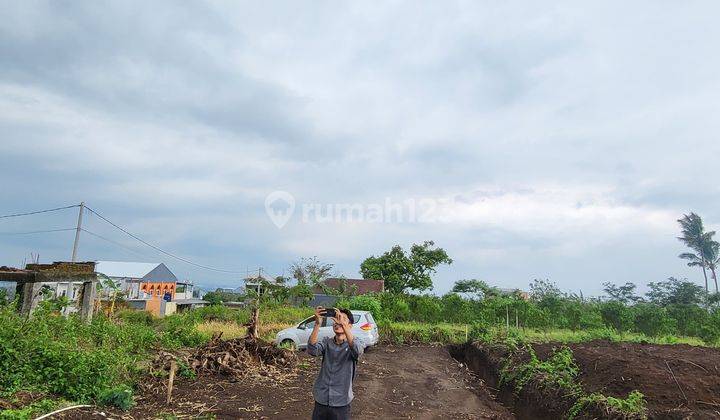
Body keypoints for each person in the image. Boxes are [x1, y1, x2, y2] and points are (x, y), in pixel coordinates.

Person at [307, 306, 364, 420]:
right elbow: (312, 350)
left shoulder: (355, 342)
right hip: (322, 398)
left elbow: (357, 351)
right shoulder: (327, 342)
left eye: (343, 319)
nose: (338, 322)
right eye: (336, 319)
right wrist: (317, 324)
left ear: (350, 326)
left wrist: (343, 325)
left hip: (341, 401)